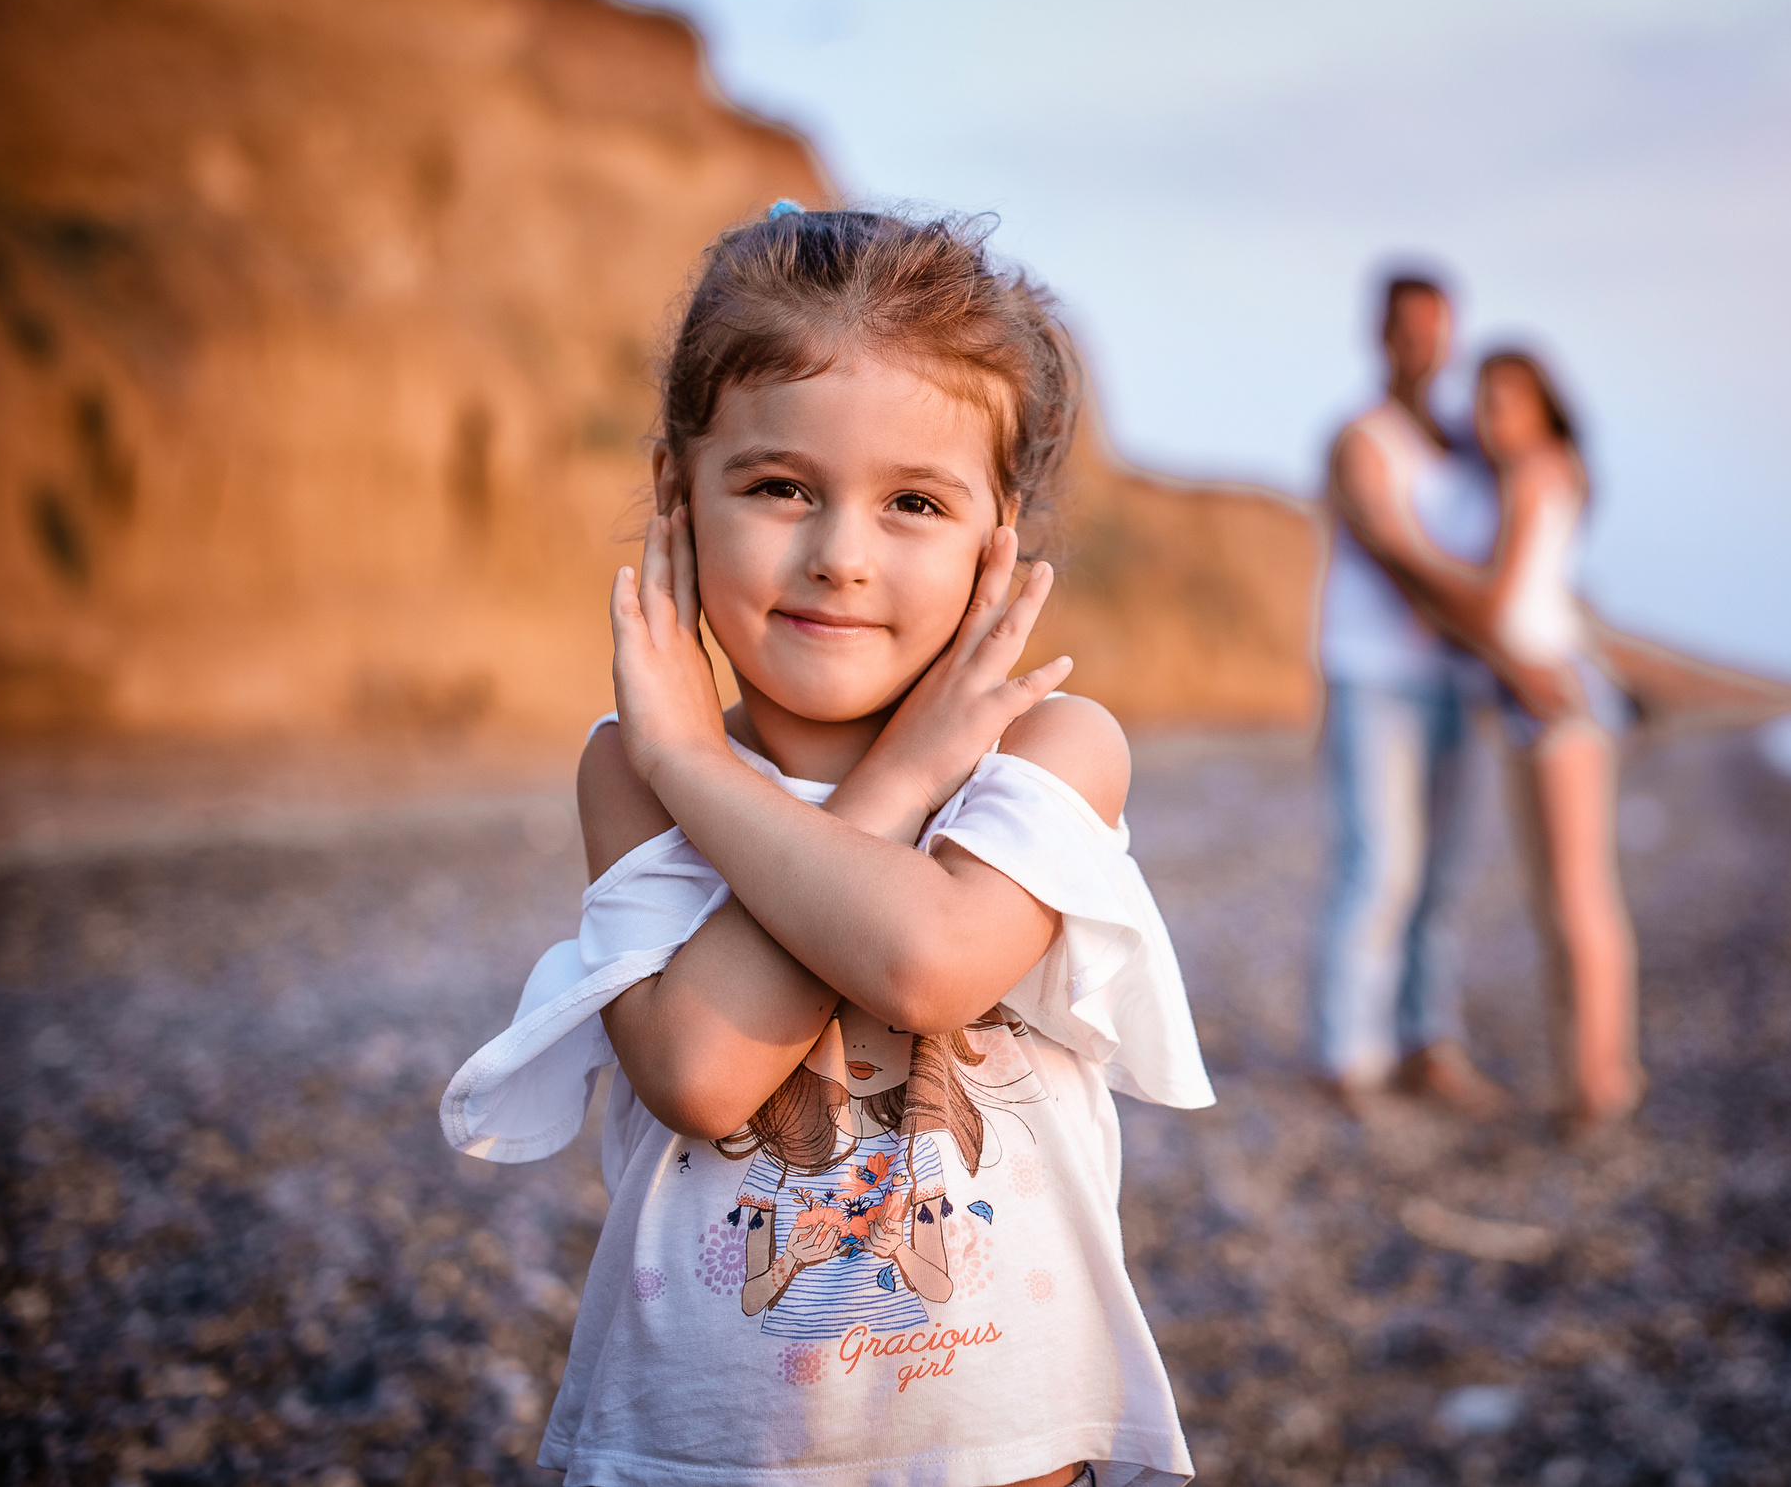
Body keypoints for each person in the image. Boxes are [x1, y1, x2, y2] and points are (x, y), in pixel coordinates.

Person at [439, 204, 1214, 1487]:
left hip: (1002, 1452)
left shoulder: (1050, 751)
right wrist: (688, 758)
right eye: (779, 485)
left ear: (996, 534)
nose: (840, 555)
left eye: (914, 501)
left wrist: (852, 769)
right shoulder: (631, 769)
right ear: (674, 494)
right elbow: (698, 1069)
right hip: (704, 1455)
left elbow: (931, 964)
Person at [1367, 348, 1644, 1135]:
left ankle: (1598, 1084)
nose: (1490, 418)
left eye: (1506, 401)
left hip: (1549, 693)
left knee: (1576, 898)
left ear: (1543, 406)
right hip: (1537, 690)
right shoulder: (1550, 473)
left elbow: (1502, 600)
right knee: (1567, 896)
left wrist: (1413, 557)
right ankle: (1594, 1075)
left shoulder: (1535, 472)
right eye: (1483, 401)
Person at [1313, 271, 1508, 1115]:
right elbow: (1394, 548)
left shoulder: (1470, 444)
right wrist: (1492, 619)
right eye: (1408, 330)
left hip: (1456, 682)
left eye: (1438, 331)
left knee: (1445, 875)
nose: (1424, 347)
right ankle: (1350, 1054)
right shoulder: (1359, 437)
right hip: (1373, 676)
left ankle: (1429, 1041)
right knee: (1380, 866)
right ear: (1380, 335)